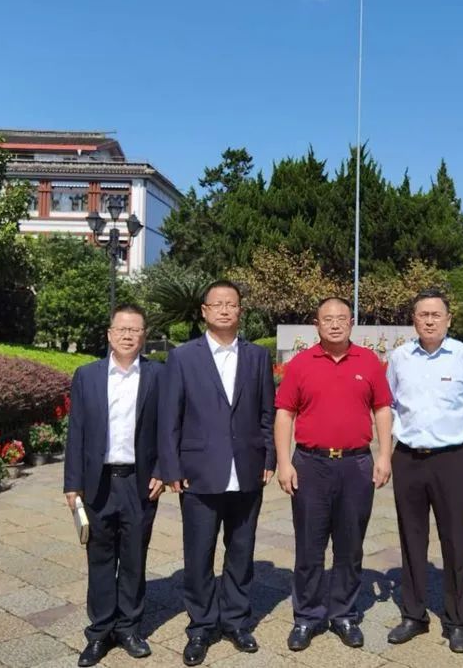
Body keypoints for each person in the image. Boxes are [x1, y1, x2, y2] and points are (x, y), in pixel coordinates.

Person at [158, 280, 276, 665]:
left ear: (240, 310)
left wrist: (269, 458)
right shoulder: (182, 357)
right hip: (198, 472)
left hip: (247, 470)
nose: (225, 310)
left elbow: (266, 413)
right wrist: (171, 467)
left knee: (241, 551)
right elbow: (169, 418)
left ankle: (237, 620)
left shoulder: (257, 356)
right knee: (199, 554)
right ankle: (201, 625)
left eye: (232, 304)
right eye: (217, 304)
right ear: (205, 311)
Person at [274, 297, 394, 652]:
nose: (336, 324)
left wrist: (384, 455)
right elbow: (284, 414)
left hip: (356, 465)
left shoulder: (368, 361)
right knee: (309, 546)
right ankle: (307, 616)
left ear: (352, 322)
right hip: (311, 464)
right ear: (317, 324)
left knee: (350, 545)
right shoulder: (300, 364)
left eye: (342, 318)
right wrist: (284, 462)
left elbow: (382, 409)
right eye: (328, 319)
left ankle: (344, 614)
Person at [385, 289, 463, 654]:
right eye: (422, 314)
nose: (429, 320)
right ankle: (414, 614)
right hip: (408, 458)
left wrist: (452, 435)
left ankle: (457, 620)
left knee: (455, 539)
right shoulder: (400, 357)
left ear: (448, 319)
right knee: (411, 537)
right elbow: (389, 404)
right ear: (414, 319)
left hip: (451, 460)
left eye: (436, 314)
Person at [63, 304, 164, 667]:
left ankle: (129, 628)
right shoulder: (87, 375)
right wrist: (72, 483)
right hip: (98, 482)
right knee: (100, 557)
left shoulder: (158, 375)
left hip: (140, 482)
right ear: (109, 334)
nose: (127, 335)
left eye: (134, 329)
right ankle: (100, 632)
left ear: (143, 335)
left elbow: (168, 428)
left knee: (135, 558)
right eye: (121, 329)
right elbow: (76, 431)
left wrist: (163, 470)